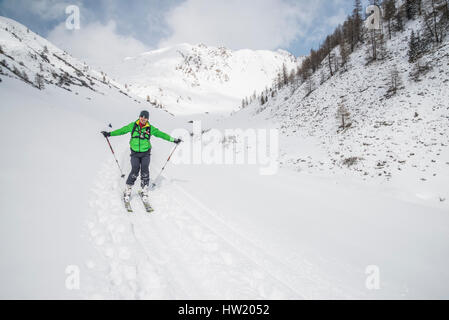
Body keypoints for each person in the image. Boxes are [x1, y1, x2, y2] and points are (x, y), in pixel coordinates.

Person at [101, 110, 181, 201]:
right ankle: (128, 189)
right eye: (142, 117)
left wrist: (173, 139)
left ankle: (144, 189)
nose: (143, 119)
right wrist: (109, 134)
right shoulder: (133, 125)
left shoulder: (150, 128)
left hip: (145, 153)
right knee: (135, 169)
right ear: (139, 117)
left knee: (145, 169)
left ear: (147, 119)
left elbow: (161, 134)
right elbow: (122, 130)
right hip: (134, 153)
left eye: (145, 117)